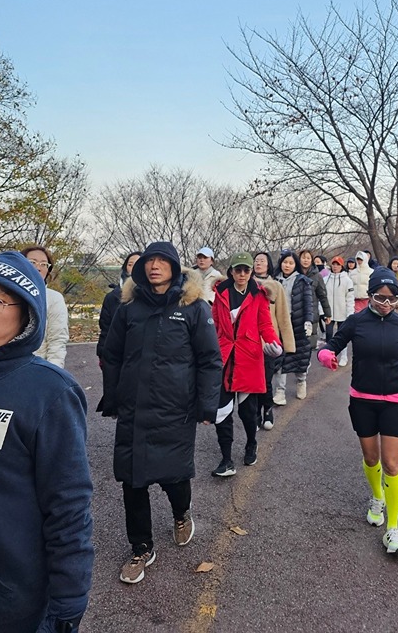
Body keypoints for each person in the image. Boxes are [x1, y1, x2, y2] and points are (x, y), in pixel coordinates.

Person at [0, 250, 93, 633]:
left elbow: (69, 504)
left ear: (26, 314)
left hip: (8, 600)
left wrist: (69, 601)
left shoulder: (48, 392)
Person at [100, 241, 222, 584]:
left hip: (175, 409)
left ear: (173, 266)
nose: (154, 266)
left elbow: (210, 360)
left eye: (161, 261)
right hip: (134, 410)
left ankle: (181, 513)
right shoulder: (129, 308)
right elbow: (112, 354)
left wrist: (206, 404)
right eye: (149, 261)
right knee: (131, 480)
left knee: (174, 476)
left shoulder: (194, 307)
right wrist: (113, 396)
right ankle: (141, 547)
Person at [318, 267, 398, 557]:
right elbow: (332, 346)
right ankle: (377, 497)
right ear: (370, 294)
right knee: (371, 457)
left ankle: (393, 529)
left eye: (392, 299)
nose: (386, 304)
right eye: (379, 297)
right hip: (362, 398)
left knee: (391, 463)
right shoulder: (356, 321)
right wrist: (327, 356)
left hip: (394, 400)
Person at [211, 252, 282, 476]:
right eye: (238, 270)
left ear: (251, 272)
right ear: (231, 271)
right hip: (224, 358)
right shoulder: (220, 293)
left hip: (249, 358)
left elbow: (265, 323)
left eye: (246, 270)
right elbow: (213, 327)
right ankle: (226, 459)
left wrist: (273, 342)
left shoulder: (259, 294)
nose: (242, 274)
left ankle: (251, 442)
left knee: (248, 412)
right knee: (221, 411)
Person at [253, 251, 296, 430]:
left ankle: (267, 409)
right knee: (252, 381)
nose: (258, 263)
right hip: (249, 342)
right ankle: (255, 413)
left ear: (269, 264)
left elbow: (283, 317)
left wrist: (287, 344)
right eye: (256, 261)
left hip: (269, 342)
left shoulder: (276, 286)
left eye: (262, 261)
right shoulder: (246, 284)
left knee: (266, 379)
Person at [273, 251, 313, 403]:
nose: (287, 265)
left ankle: (301, 381)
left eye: (290, 263)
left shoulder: (303, 281)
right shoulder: (275, 280)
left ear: (295, 264)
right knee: (280, 358)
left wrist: (308, 321)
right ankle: (280, 391)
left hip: (297, 324)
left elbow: (308, 303)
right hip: (280, 325)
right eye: (285, 262)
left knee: (300, 357)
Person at [21, 245, 69, 368]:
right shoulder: (6, 294)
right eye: (32, 262)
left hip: (38, 367)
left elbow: (57, 340)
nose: (38, 268)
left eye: (44, 264)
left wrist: (53, 372)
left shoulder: (54, 298)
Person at [96, 251, 141, 367]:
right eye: (130, 264)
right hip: (115, 358)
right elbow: (105, 329)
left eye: (138, 264)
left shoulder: (152, 297)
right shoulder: (112, 297)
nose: (134, 268)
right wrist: (102, 354)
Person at [324, 256, 355, 366]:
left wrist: (350, 314)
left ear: (342, 266)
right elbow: (322, 297)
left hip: (343, 312)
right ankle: (329, 356)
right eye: (334, 264)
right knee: (328, 334)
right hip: (329, 313)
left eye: (338, 264)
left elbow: (350, 298)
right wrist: (322, 312)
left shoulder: (347, 280)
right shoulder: (326, 279)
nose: (335, 266)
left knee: (342, 335)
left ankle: (344, 356)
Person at [298, 249, 332, 349]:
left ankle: (308, 363)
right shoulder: (294, 274)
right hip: (296, 313)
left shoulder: (317, 276)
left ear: (311, 260)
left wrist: (327, 313)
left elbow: (323, 295)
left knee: (310, 343)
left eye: (308, 258)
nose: (305, 260)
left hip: (312, 313)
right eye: (303, 258)